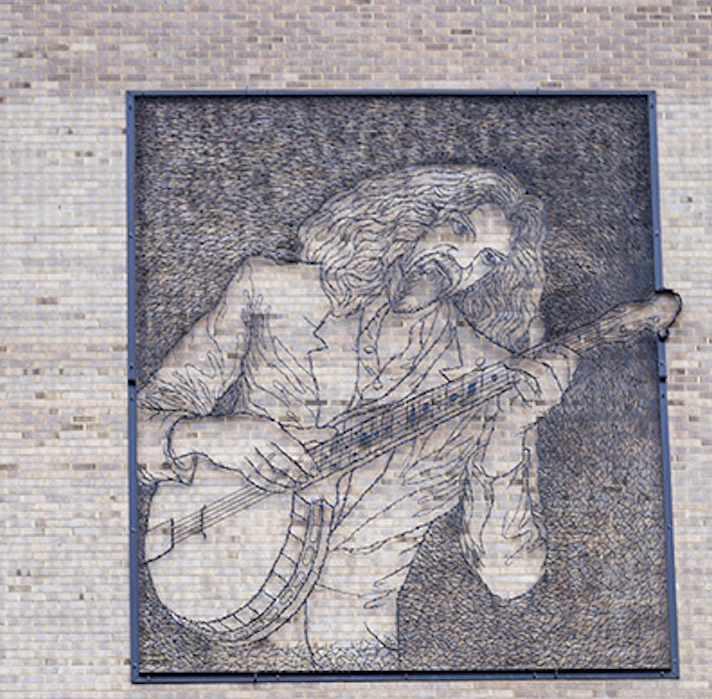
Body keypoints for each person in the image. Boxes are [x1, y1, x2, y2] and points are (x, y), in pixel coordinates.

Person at [136, 166, 576, 664]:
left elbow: (511, 575)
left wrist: (510, 436)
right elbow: (138, 427)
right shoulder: (274, 292)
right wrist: (211, 438)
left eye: (486, 260)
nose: (462, 262)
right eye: (459, 231)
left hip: (356, 658)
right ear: (415, 217)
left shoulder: (489, 379)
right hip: (225, 634)